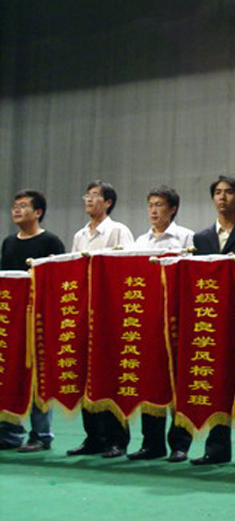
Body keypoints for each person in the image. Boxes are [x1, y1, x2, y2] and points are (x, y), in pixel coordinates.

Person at [167, 174, 235, 468]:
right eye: (218, 193)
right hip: (211, 323)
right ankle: (217, 448)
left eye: (229, 193)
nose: (222, 198)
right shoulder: (201, 238)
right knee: (215, 383)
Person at [67, 180, 135, 458]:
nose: (89, 199)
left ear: (108, 202)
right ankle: (93, 437)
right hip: (86, 312)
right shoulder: (79, 235)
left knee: (111, 376)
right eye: (87, 195)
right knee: (86, 374)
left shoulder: (118, 231)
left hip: (111, 314)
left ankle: (118, 439)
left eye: (95, 195)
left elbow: (128, 268)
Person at [127, 185, 194, 461]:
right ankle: (151, 444)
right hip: (148, 321)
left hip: (176, 318)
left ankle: (180, 444)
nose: (153, 210)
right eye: (150, 205)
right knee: (150, 380)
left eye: (159, 205)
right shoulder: (139, 242)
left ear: (173, 209)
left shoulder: (186, 237)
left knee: (178, 382)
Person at [0, 190, 65, 452]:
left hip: (39, 320)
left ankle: (41, 434)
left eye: (23, 206)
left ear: (38, 212)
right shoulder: (8, 242)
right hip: (11, 321)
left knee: (39, 376)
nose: (17, 210)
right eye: (15, 206)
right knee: (9, 372)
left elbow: (59, 280)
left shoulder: (51, 242)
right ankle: (9, 432)